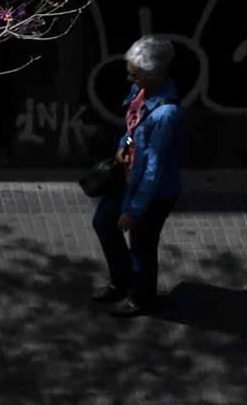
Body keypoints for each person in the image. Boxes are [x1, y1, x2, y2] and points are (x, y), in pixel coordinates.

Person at [91, 35, 183, 317]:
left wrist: (134, 211)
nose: (130, 80)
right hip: (129, 176)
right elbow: (132, 131)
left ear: (152, 73)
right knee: (104, 222)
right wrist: (124, 148)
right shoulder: (140, 93)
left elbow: (153, 169)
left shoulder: (166, 114)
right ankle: (122, 281)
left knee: (142, 244)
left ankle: (140, 296)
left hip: (152, 191)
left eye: (136, 74)